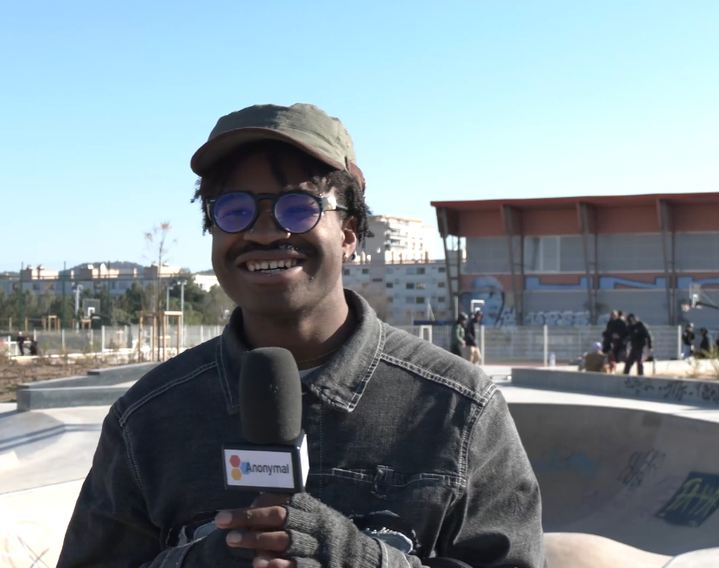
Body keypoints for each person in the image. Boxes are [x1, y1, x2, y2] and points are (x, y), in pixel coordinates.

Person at [57, 103, 544, 568]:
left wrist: (365, 560)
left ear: (349, 233)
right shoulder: (146, 420)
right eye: (234, 210)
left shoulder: (458, 409)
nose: (265, 233)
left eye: (298, 208)